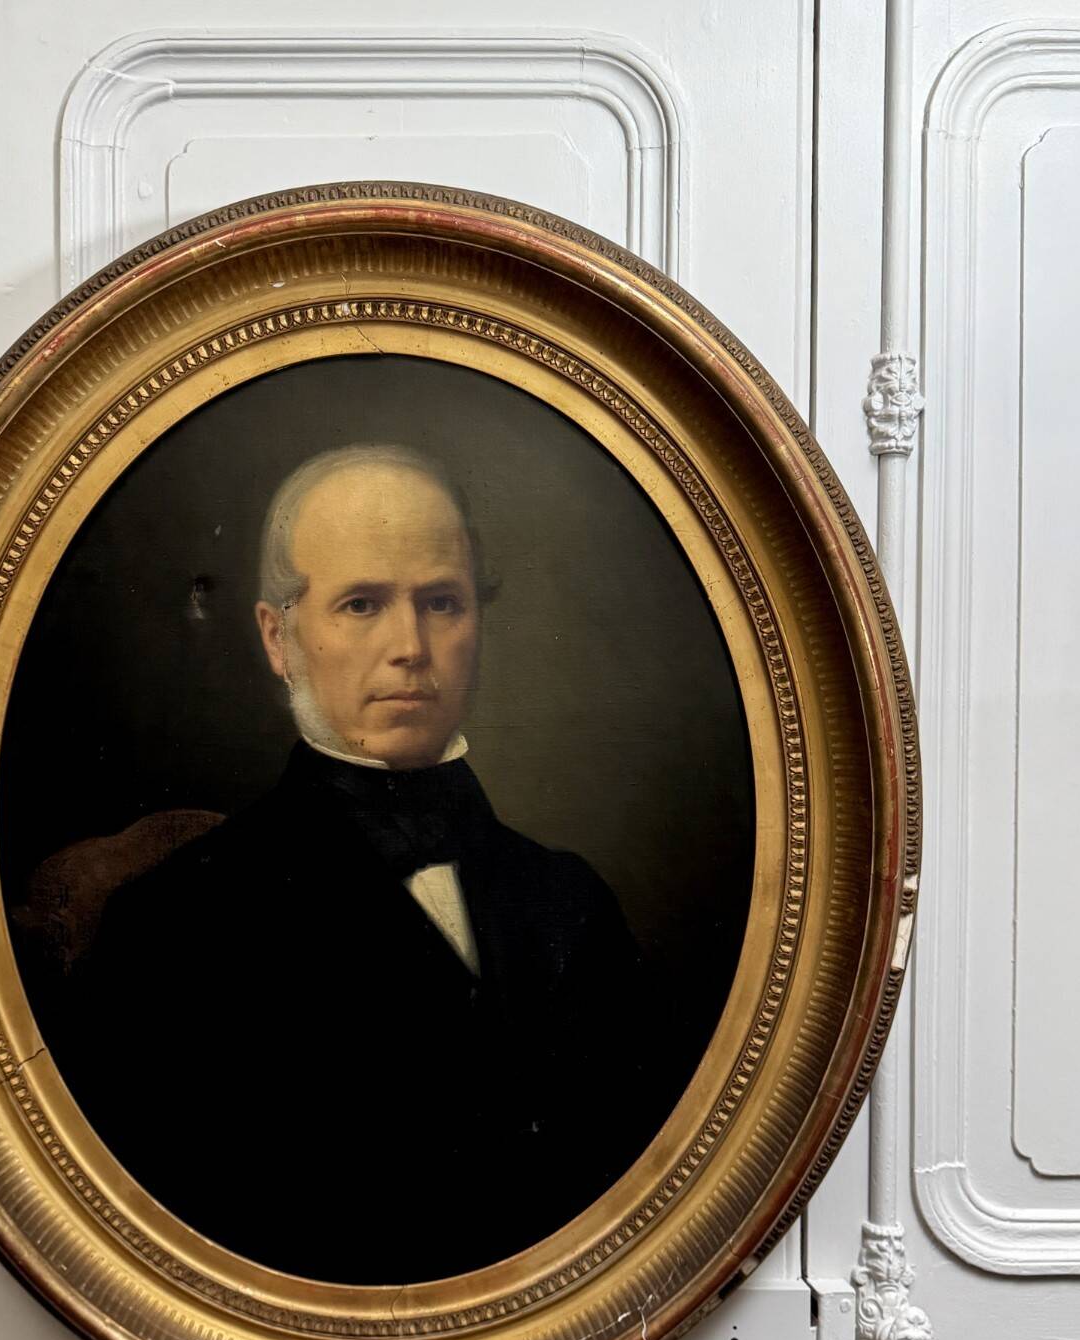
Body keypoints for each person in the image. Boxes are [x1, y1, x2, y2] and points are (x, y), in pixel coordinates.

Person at [47, 444, 700, 1285]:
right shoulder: (177, 919)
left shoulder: (570, 899)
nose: (411, 647)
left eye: (442, 603)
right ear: (278, 637)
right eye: (361, 604)